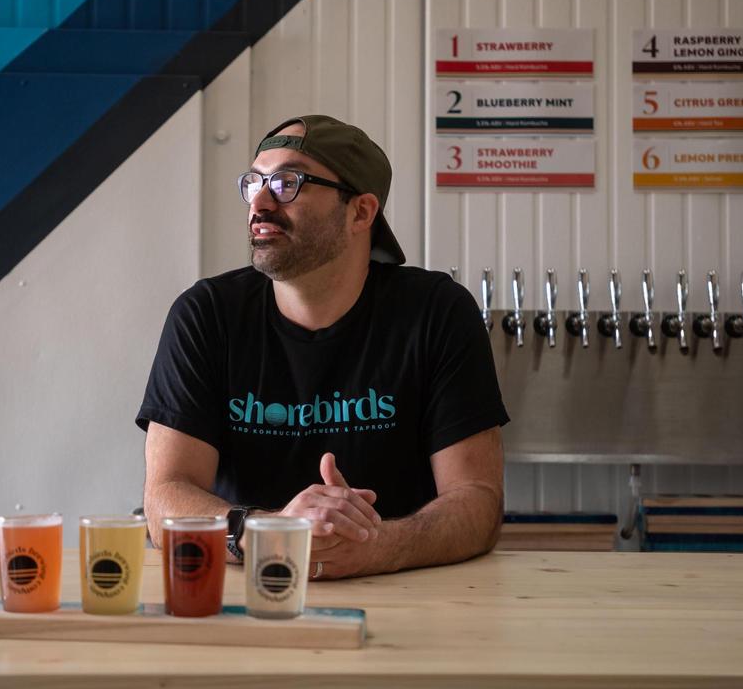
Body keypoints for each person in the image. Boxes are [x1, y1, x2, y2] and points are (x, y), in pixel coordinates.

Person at [136, 115, 508, 580]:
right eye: (254, 182)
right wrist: (272, 534)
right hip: (244, 590)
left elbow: (478, 500)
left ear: (361, 212)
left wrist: (378, 548)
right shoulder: (207, 315)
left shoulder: (436, 313)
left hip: (407, 593)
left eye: (287, 182)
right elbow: (166, 495)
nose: (261, 201)